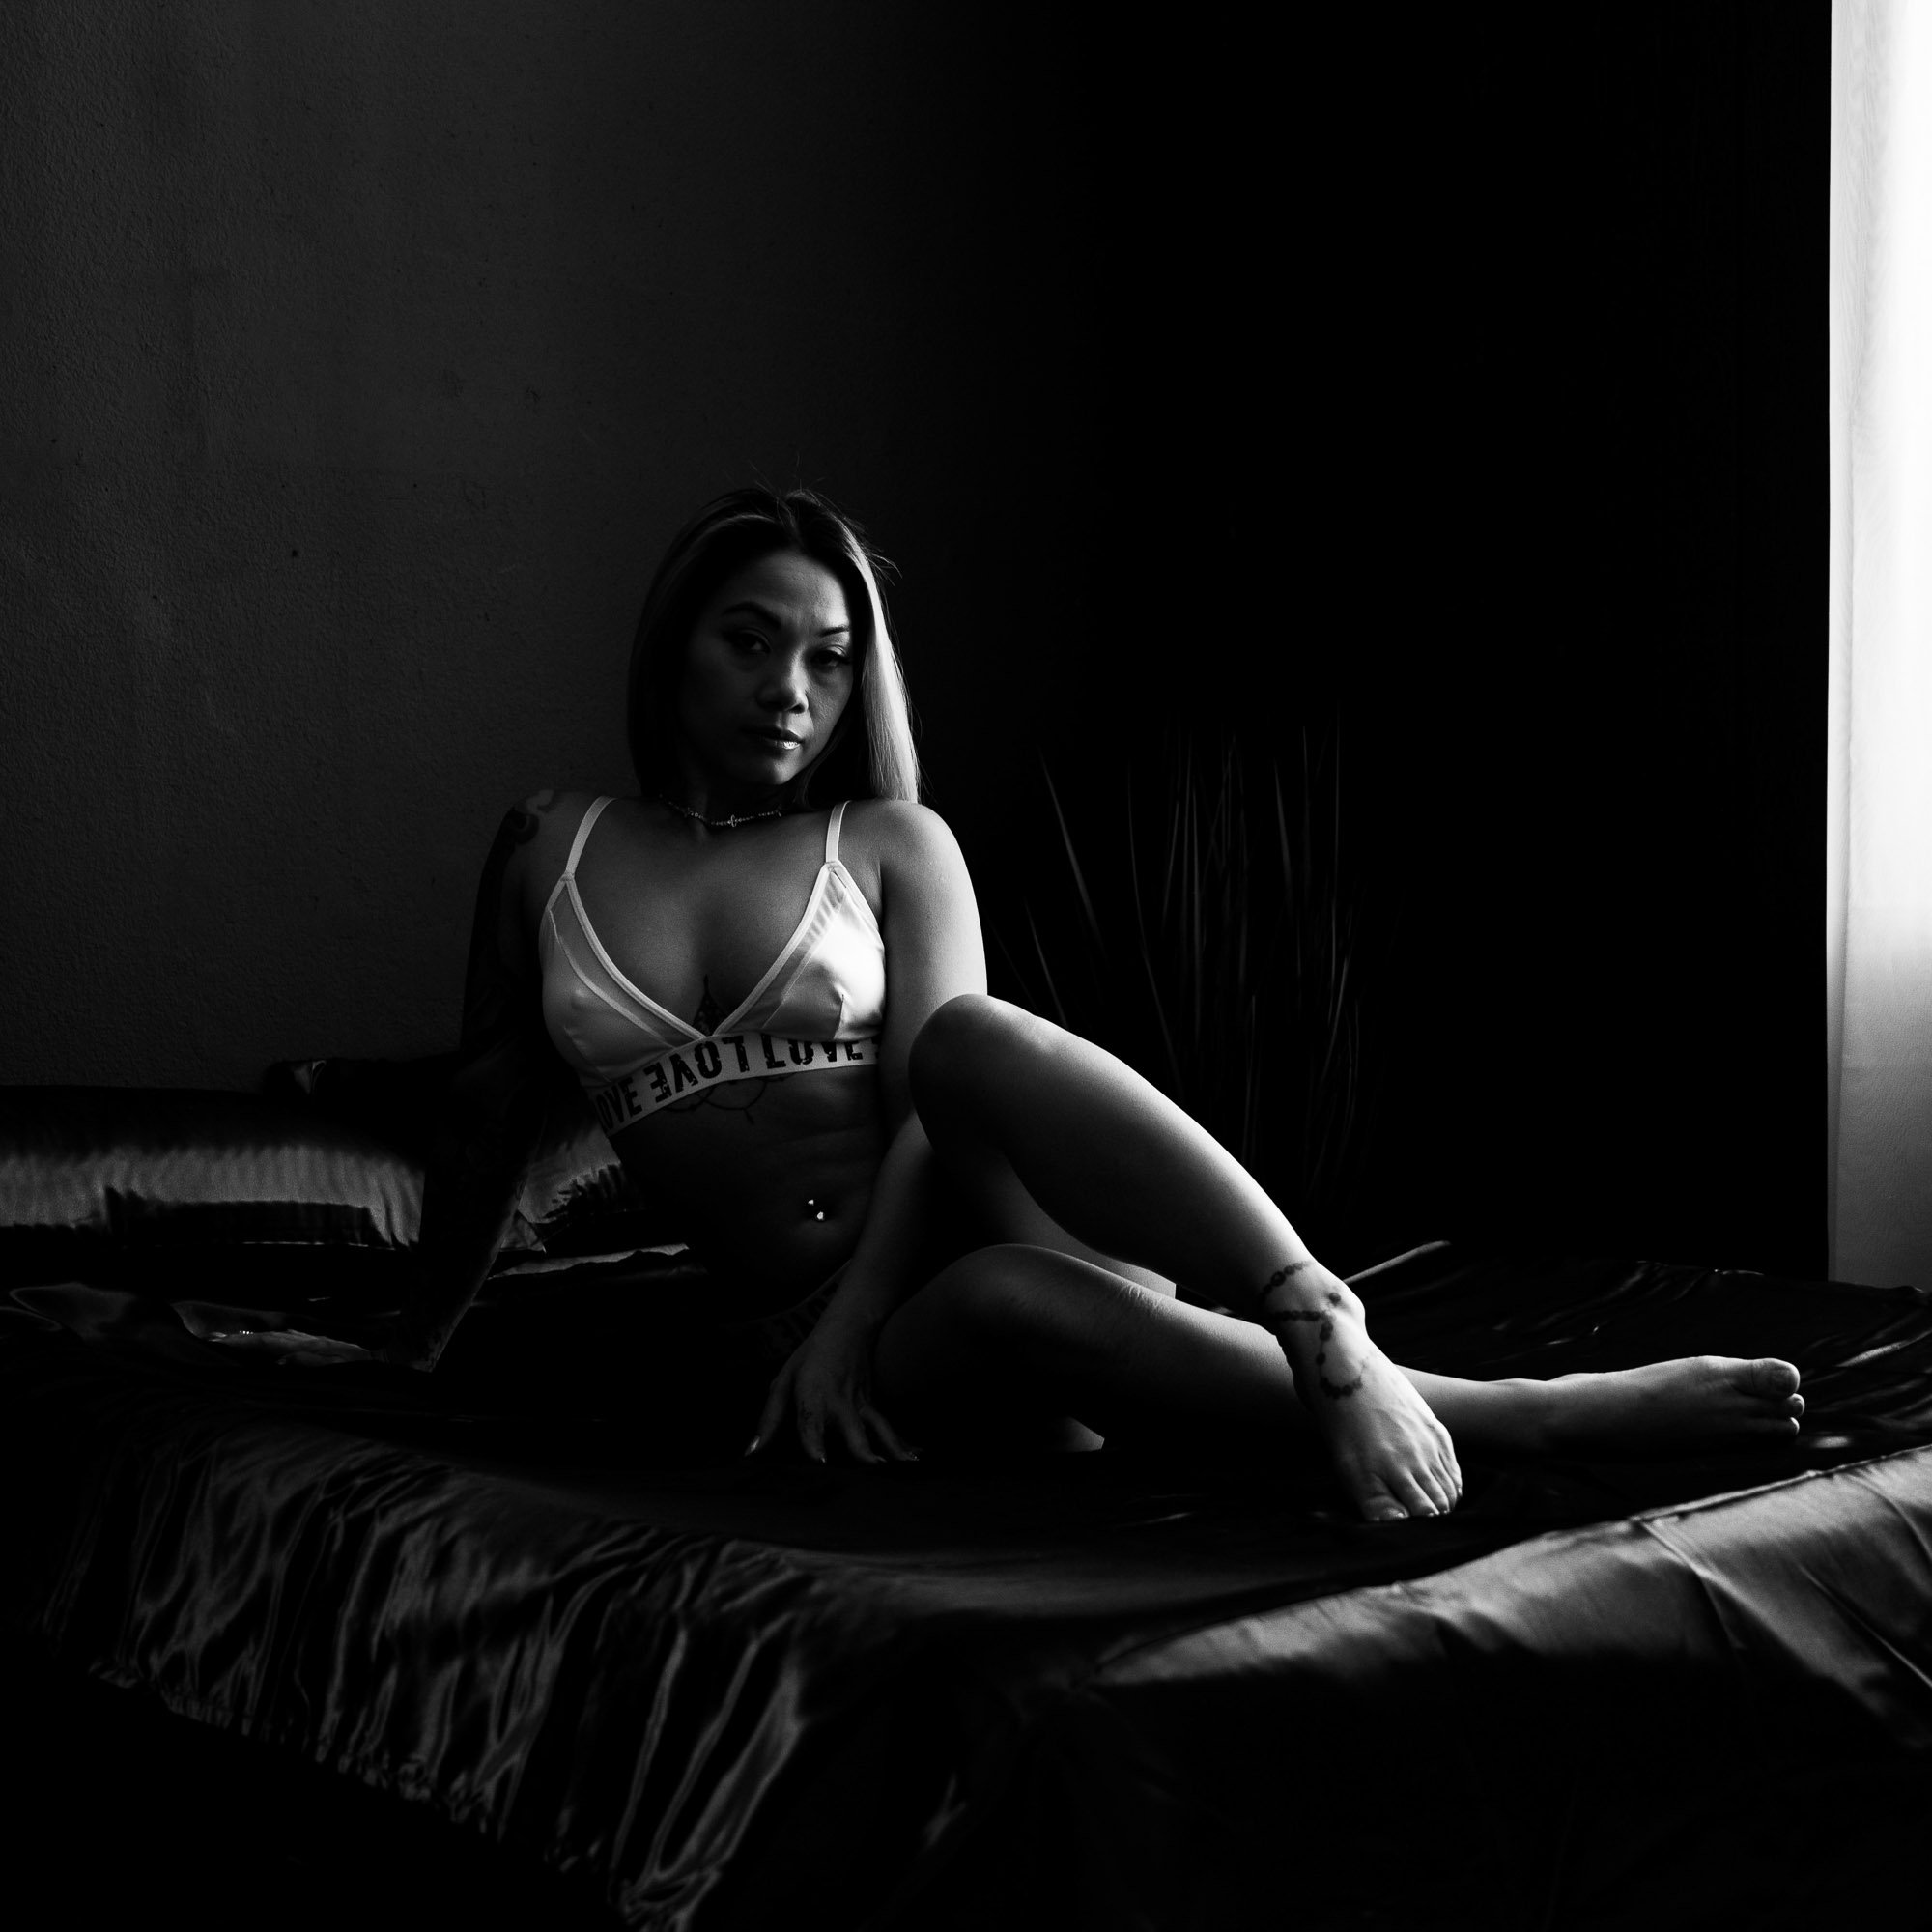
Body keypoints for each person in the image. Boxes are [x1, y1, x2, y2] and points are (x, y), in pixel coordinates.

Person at [282, 487, 1808, 1522]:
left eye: (829, 660)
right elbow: (490, 1100)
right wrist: (415, 1341)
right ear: (672, 641)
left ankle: (1325, 1317)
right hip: (850, 1332)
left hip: (966, 1232)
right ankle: (1534, 1413)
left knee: (965, 1044)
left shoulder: (892, 840)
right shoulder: (550, 846)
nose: (790, 690)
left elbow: (939, 1123)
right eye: (749, 640)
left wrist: (850, 1327)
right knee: (1006, 1309)